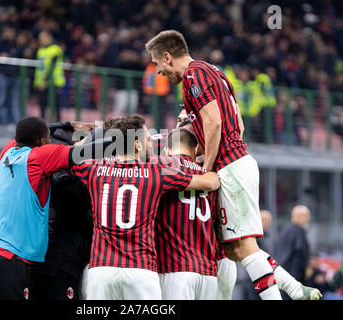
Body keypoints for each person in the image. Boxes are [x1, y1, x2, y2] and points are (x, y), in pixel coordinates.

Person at [145, 30, 321, 300]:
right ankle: (296, 289)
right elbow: (237, 123)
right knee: (235, 248)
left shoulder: (192, 75)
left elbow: (214, 122)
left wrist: (209, 167)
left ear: (167, 57)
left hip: (231, 166)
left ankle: (289, 293)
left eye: (157, 65)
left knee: (245, 249)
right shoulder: (215, 71)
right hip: (237, 161)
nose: (158, 72)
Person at [71, 115, 220, 300]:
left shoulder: (94, 170)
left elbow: (71, 155)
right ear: (137, 145)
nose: (151, 143)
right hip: (140, 269)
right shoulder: (156, 173)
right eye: (148, 139)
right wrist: (205, 166)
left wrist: (96, 134)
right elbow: (210, 183)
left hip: (101, 269)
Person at [0, 116, 105, 300]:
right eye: (49, 139)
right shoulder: (39, 157)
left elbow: (32, 129)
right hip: (6, 262)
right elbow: (84, 151)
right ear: (41, 142)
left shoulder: (6, 152)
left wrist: (67, 125)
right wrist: (109, 132)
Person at [29, 122, 93, 300]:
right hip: (59, 260)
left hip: (54, 257)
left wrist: (65, 123)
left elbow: (24, 131)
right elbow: (70, 191)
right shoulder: (59, 169)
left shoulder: (45, 157)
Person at [155, 128, 220, 299]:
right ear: (196, 148)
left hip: (175, 268)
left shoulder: (162, 165)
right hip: (209, 272)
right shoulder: (207, 174)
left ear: (167, 149)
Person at [0, 25, 20, 125]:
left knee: (12, 102)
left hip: (14, 76)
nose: (9, 34)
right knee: (0, 100)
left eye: (11, 32)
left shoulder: (15, 43)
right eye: (7, 32)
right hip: (2, 75)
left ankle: (11, 123)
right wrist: (0, 55)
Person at [33, 30, 66, 121]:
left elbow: (52, 66)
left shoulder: (55, 49)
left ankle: (59, 126)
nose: (41, 40)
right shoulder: (40, 50)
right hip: (42, 82)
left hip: (54, 82)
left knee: (56, 106)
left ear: (49, 37)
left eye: (43, 37)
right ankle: (42, 125)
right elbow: (40, 68)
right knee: (42, 104)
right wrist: (37, 82)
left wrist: (45, 80)